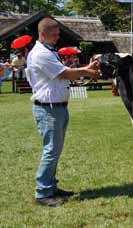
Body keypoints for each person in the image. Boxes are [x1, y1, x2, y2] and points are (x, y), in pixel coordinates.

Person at [26, 17, 99, 207]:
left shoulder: (48, 51)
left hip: (55, 108)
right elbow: (64, 73)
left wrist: (85, 69)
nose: (58, 37)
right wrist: (88, 71)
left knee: (54, 151)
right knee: (51, 151)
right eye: (54, 34)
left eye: (58, 34)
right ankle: (42, 192)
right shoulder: (41, 54)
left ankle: (50, 187)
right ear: (43, 34)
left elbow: (64, 73)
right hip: (49, 109)